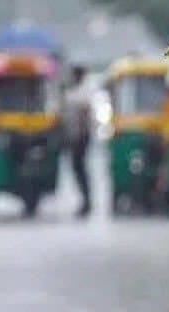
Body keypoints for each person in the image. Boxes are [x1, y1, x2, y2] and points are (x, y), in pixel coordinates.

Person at [63, 65, 93, 218]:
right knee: (77, 170)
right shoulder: (73, 92)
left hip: (80, 138)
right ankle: (85, 201)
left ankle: (86, 202)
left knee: (80, 170)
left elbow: (83, 120)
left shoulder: (82, 93)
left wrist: (78, 137)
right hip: (75, 137)